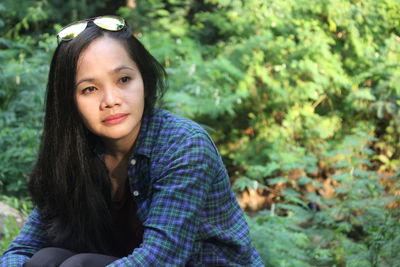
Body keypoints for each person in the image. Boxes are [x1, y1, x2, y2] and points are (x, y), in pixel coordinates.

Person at [0, 15, 263, 266]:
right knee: (46, 259)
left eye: (124, 79)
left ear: (144, 81)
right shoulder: (75, 155)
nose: (111, 100)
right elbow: (22, 249)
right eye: (89, 89)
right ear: (69, 102)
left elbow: (160, 259)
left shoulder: (184, 145)